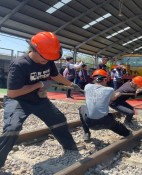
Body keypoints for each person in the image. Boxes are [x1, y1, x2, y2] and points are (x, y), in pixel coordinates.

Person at [0, 32, 82, 168]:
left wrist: (70, 84)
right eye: (45, 57)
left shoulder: (48, 60)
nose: (47, 60)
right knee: (12, 128)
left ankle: (70, 147)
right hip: (18, 101)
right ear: (33, 49)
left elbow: (56, 76)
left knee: (59, 119)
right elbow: (13, 93)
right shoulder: (19, 64)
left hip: (39, 99)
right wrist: (39, 85)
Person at [78, 69, 131, 141]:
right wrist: (117, 95)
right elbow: (112, 99)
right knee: (119, 127)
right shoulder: (110, 90)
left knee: (82, 108)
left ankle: (86, 133)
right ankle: (127, 133)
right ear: (105, 79)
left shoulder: (87, 86)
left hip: (89, 123)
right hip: (105, 122)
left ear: (94, 78)